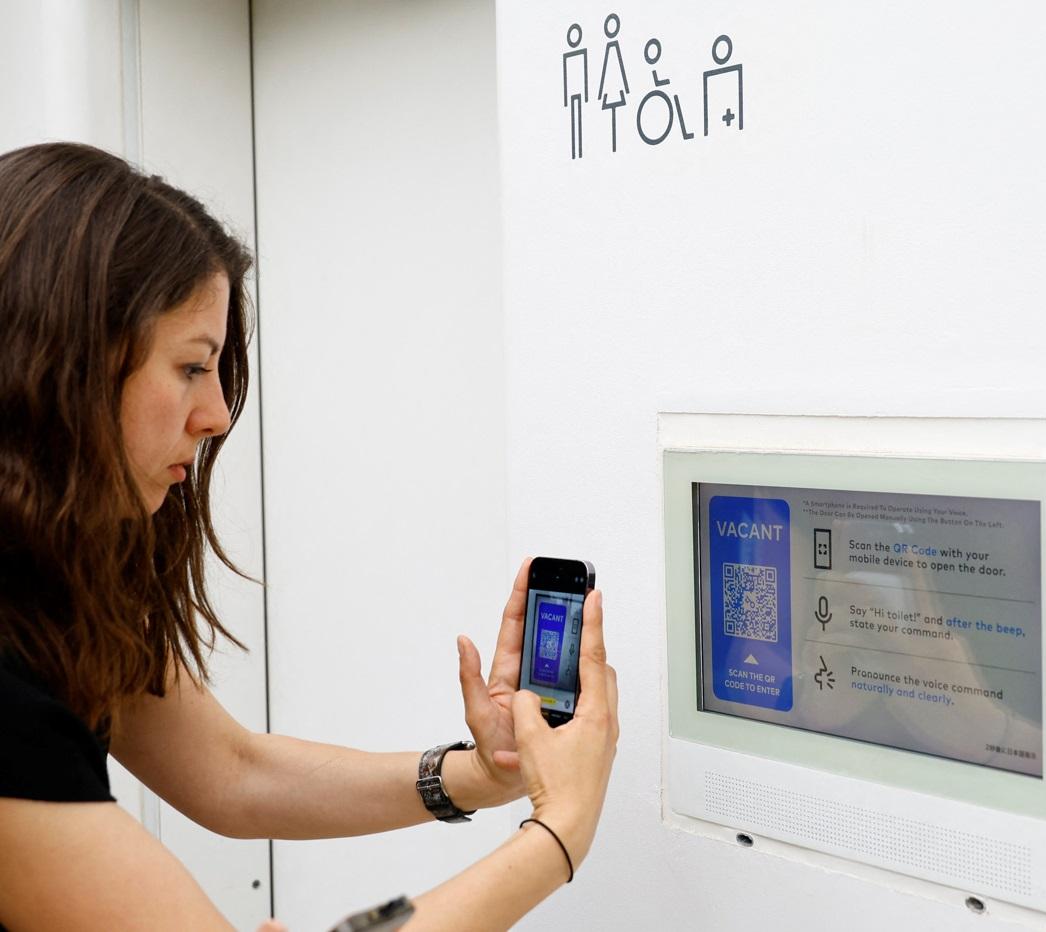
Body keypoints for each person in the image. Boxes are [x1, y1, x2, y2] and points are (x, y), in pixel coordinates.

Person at [0, 142, 619, 931]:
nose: (216, 415)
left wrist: (482, 773)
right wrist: (560, 831)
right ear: (64, 363)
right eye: (191, 367)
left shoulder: (50, 590)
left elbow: (233, 773)